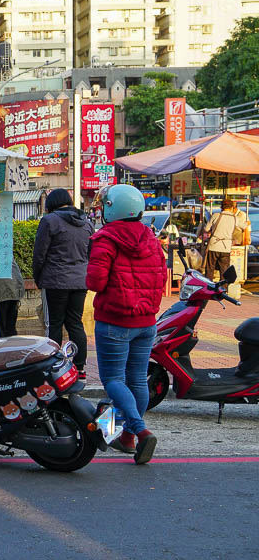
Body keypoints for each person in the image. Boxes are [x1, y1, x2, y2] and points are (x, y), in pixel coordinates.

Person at [86, 184, 166, 465]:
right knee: (136, 380)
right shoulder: (151, 237)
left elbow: (95, 282)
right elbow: (161, 277)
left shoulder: (105, 239)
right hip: (146, 322)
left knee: (114, 380)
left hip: (114, 321)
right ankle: (127, 438)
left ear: (110, 209)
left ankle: (140, 431)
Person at [32, 189, 94, 378]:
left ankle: (54, 365)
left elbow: (39, 254)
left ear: (51, 204)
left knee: (55, 324)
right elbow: (90, 254)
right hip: (79, 281)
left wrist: (38, 278)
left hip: (55, 281)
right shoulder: (87, 224)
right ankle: (81, 367)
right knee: (75, 323)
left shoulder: (49, 221)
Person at [201, 198, 247, 281]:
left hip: (213, 245)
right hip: (226, 247)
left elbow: (206, 229)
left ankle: (209, 288)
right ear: (231, 208)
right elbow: (244, 226)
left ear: (221, 207)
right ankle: (223, 289)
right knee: (224, 270)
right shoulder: (234, 218)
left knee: (210, 269)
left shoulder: (216, 215)